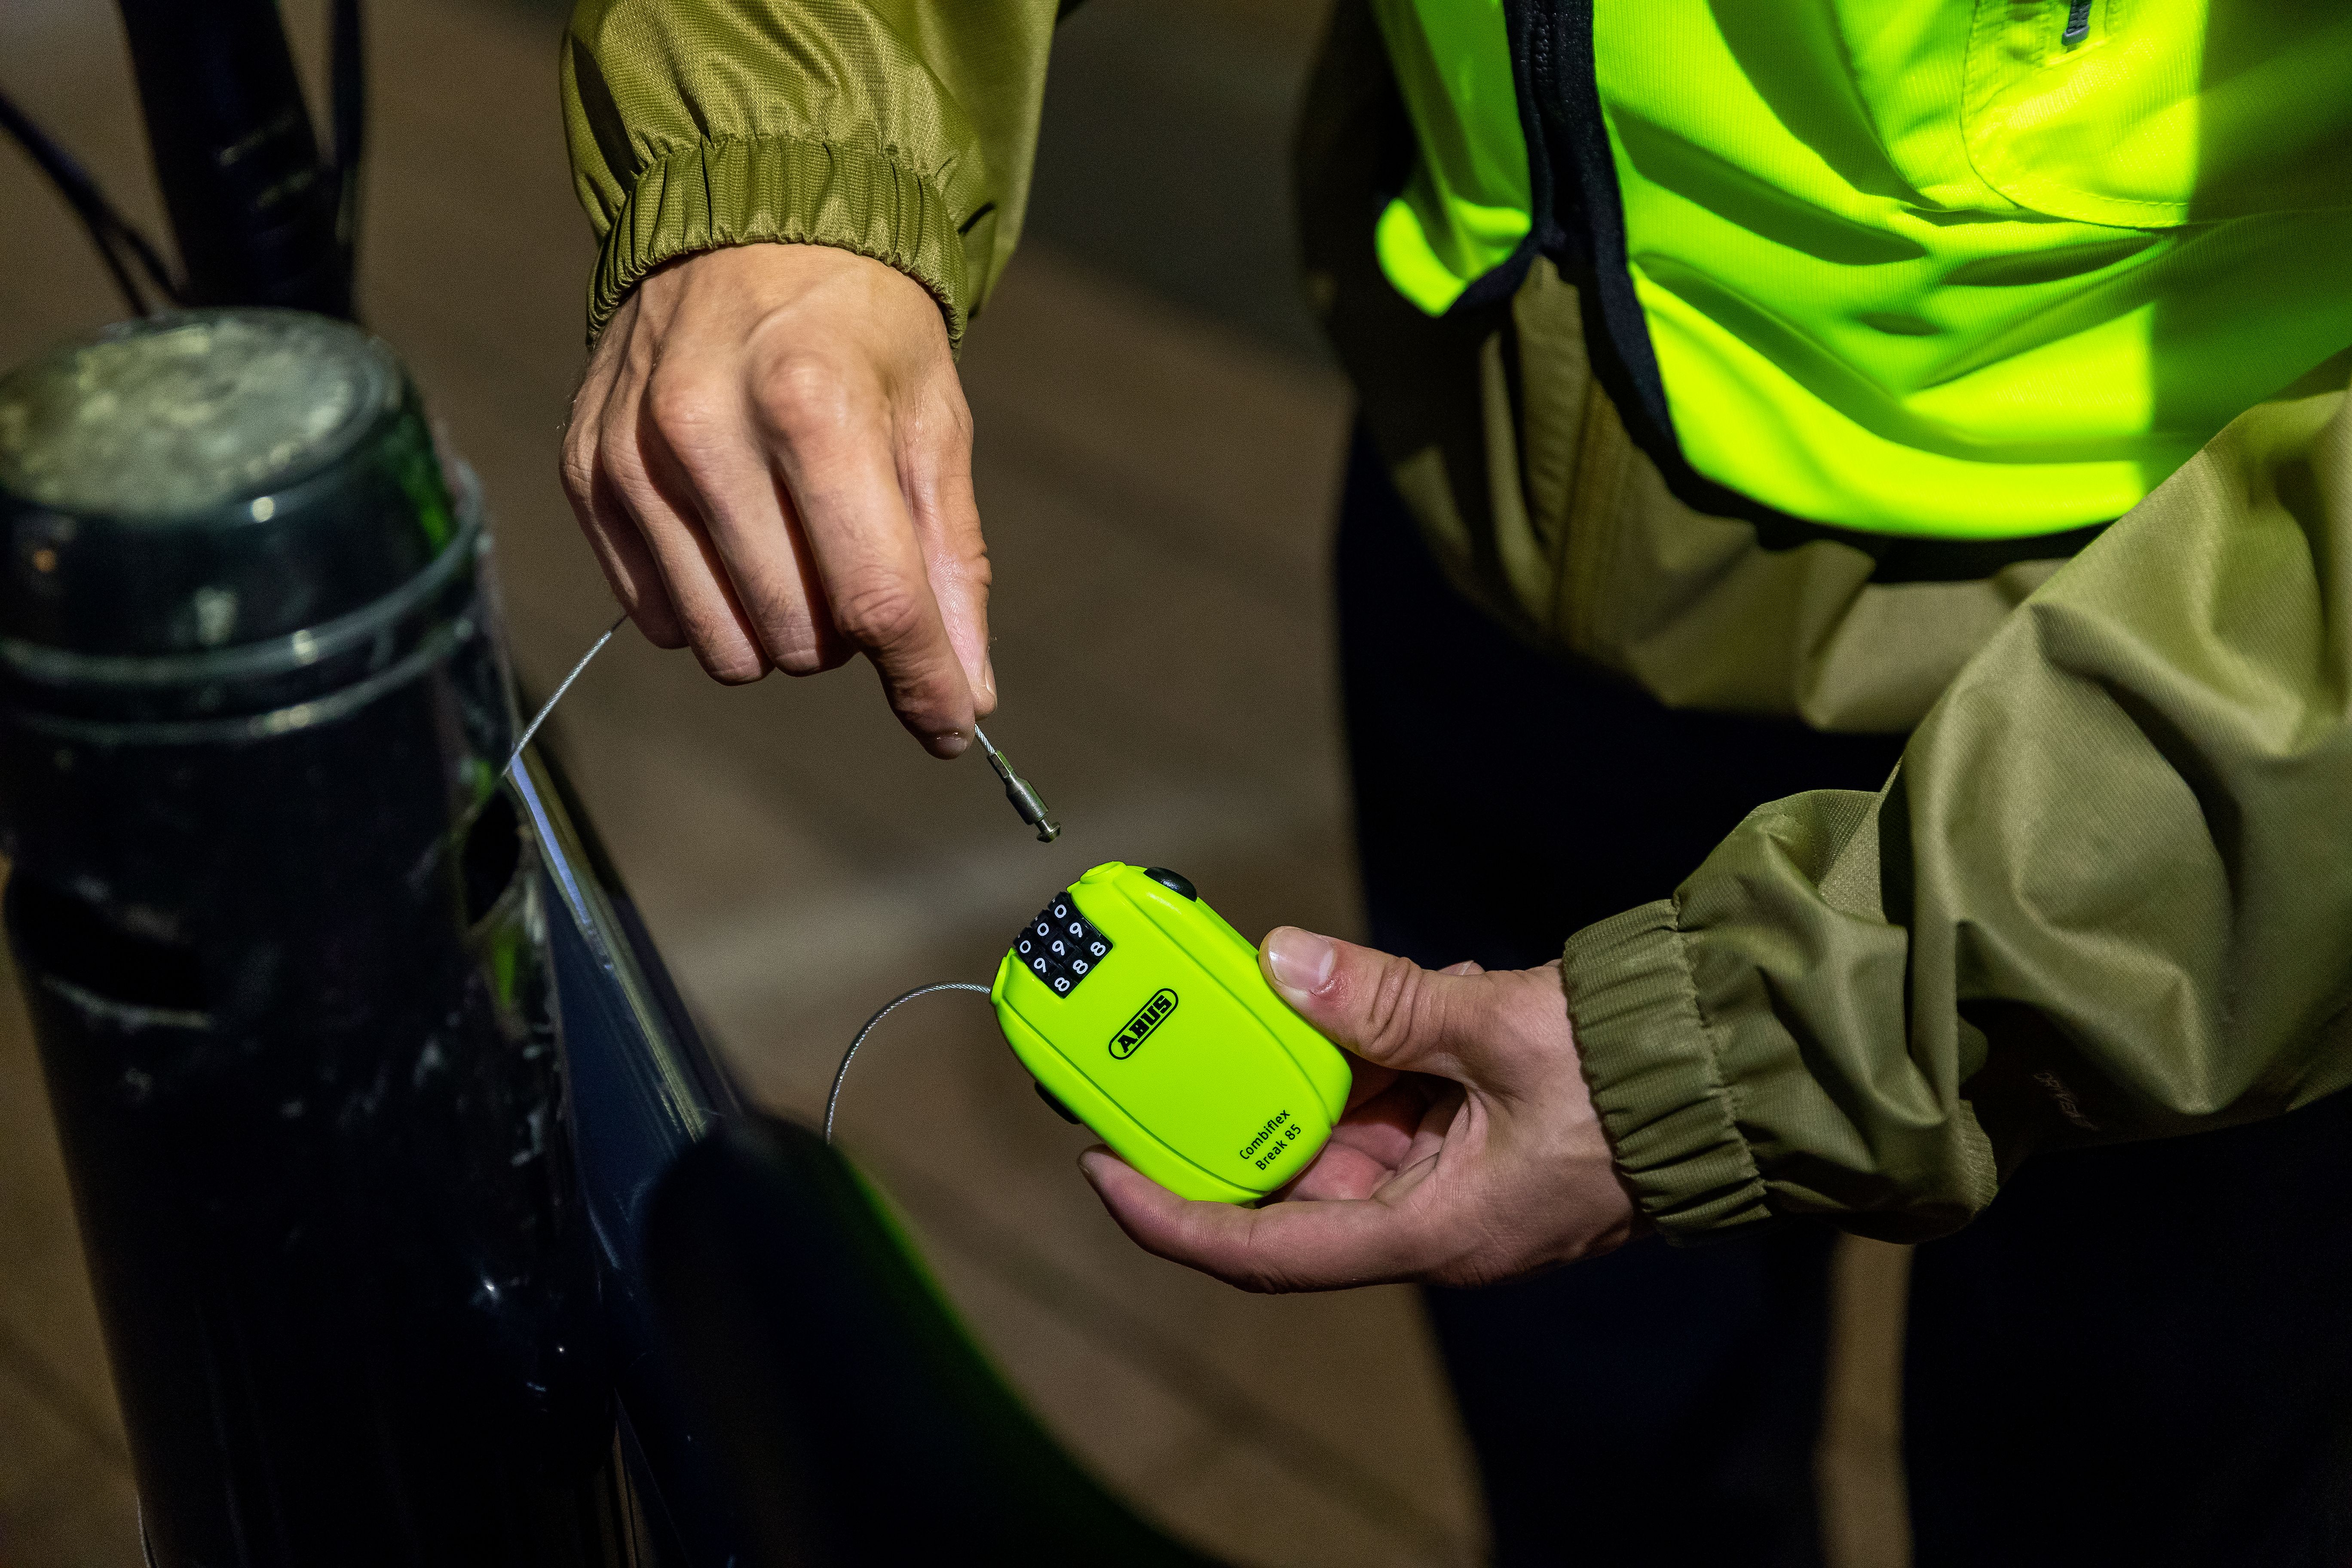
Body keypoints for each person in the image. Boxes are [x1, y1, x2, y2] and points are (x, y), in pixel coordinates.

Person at [554, 1, 2352, 1561]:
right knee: (1606, 1467)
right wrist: (779, 154)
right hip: (1499, 529)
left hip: (2206, 710)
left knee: (2138, 1485)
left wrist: (1761, 1043)